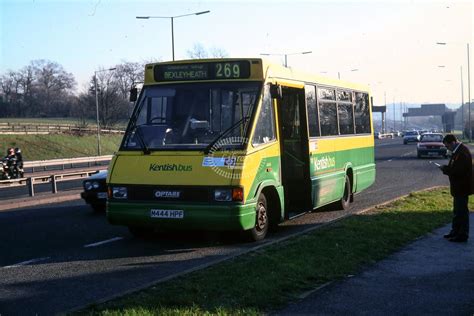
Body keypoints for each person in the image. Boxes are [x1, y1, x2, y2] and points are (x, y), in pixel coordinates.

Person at [440, 134, 472, 242]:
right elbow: (454, 166)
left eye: (447, 146)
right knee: (457, 211)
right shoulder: (457, 151)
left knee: (462, 212)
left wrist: (446, 170)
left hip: (462, 187)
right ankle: (455, 231)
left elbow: (459, 171)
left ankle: (462, 235)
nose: (447, 148)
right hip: (458, 187)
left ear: (453, 142)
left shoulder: (462, 153)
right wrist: (447, 168)